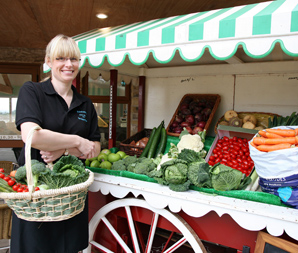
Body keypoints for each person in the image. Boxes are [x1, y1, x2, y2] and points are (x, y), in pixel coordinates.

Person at [11, 34, 101, 253]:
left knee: (70, 248)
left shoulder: (85, 104)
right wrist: (77, 141)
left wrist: (61, 149)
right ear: (49, 62)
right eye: (61, 58)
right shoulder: (32, 91)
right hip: (36, 194)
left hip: (72, 196)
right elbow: (31, 136)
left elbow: (95, 148)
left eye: (74, 59)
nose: (68, 64)